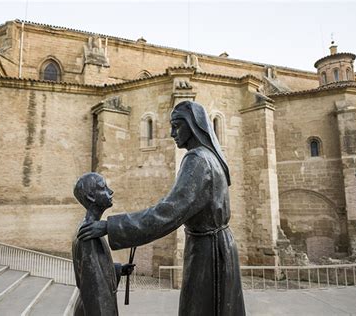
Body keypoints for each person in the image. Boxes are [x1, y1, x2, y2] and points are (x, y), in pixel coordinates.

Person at [78, 101, 246, 316]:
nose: (171, 133)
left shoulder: (197, 159)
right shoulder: (210, 157)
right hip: (216, 246)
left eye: (176, 125)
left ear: (193, 125)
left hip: (208, 252)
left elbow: (168, 212)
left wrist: (110, 226)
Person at [72, 173, 134, 316]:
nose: (110, 191)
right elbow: (95, 289)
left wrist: (118, 270)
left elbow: (96, 270)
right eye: (103, 188)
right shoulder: (89, 234)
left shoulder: (92, 228)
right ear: (91, 197)